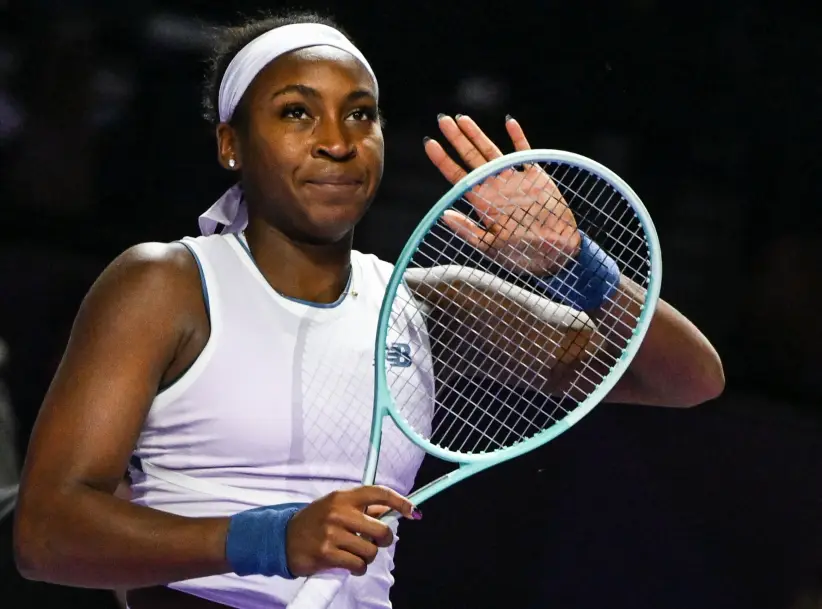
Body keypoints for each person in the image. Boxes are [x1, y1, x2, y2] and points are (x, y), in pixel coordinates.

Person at [12, 9, 724, 609]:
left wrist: (576, 264)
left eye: (361, 114)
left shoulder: (425, 306)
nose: (337, 140)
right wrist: (271, 538)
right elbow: (45, 534)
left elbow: (688, 379)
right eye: (297, 112)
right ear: (231, 143)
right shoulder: (165, 283)